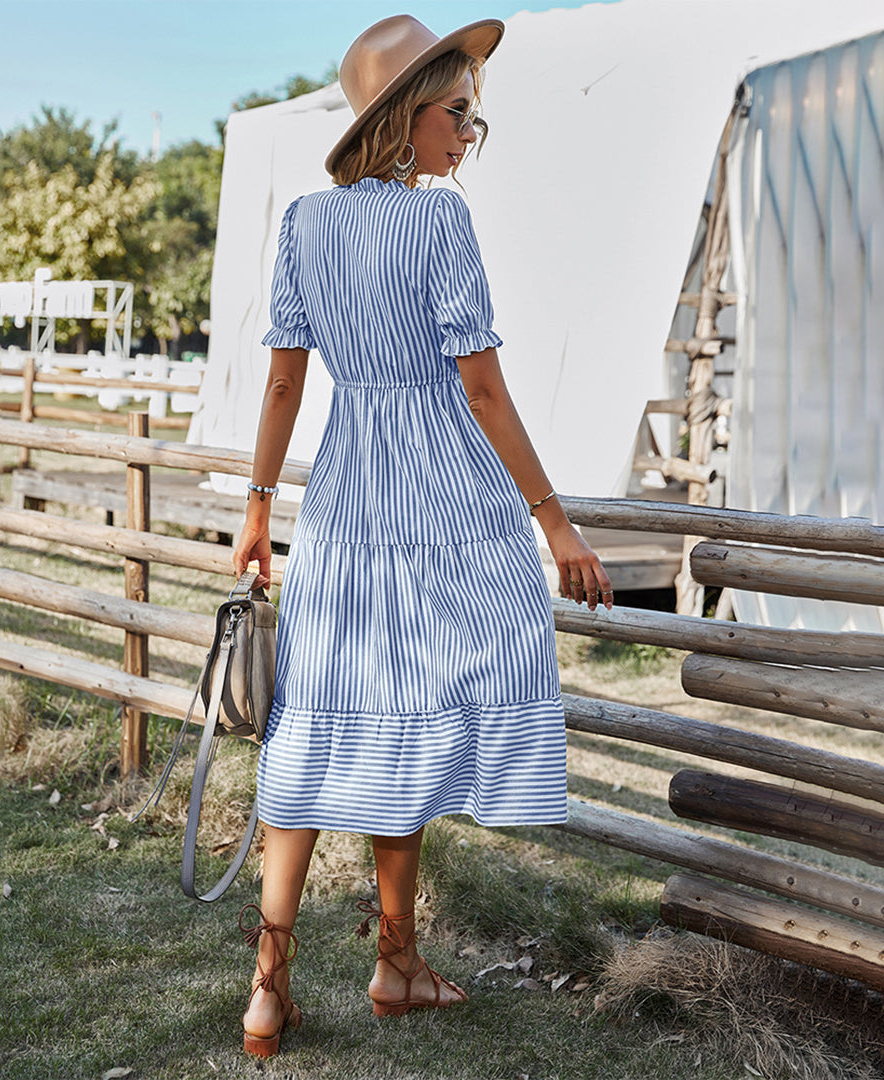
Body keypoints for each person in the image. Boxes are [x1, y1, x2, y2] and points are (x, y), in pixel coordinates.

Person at [232, 13, 612, 1058]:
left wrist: (259, 509)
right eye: (457, 114)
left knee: (326, 721)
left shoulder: (305, 222)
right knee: (418, 705)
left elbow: (282, 380)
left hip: (343, 499)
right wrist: (554, 522)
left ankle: (280, 987)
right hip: (441, 493)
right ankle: (391, 961)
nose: (469, 136)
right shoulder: (439, 221)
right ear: (403, 117)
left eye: (475, 119)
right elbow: (481, 389)